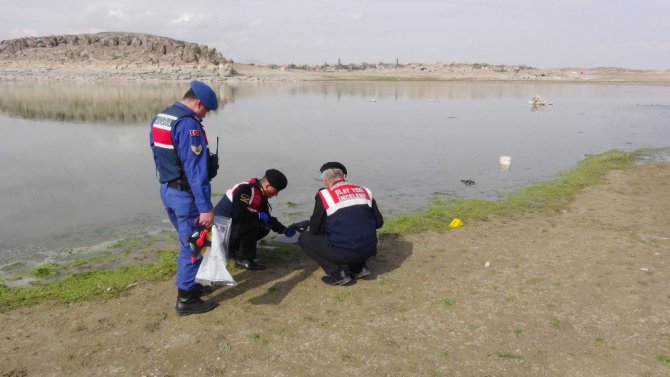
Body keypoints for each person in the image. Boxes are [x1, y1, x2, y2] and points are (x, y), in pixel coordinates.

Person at [150, 80, 220, 316]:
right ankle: (186, 299)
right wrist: (205, 207)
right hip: (186, 196)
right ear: (198, 102)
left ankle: (189, 285)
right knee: (194, 244)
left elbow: (159, 157)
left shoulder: (162, 117)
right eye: (206, 110)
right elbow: (195, 170)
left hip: (168, 190)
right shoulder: (189, 126)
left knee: (186, 240)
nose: (205, 115)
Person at [298, 162, 384, 286]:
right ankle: (359, 267)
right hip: (370, 249)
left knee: (304, 238)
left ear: (326, 182)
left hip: (345, 253)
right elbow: (379, 223)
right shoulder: (365, 191)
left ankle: (337, 273)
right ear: (343, 176)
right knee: (352, 230)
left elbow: (315, 229)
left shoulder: (324, 195)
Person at [214, 169, 296, 270]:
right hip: (219, 233)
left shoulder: (261, 193)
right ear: (267, 186)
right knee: (252, 223)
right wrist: (257, 216)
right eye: (275, 191)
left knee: (265, 227)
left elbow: (267, 218)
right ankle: (244, 259)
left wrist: (284, 230)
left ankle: (234, 250)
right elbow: (237, 215)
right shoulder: (246, 189)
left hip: (231, 229)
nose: (276, 194)